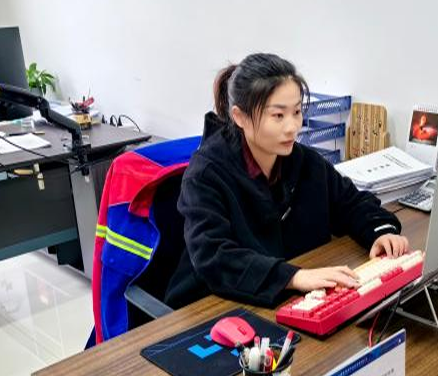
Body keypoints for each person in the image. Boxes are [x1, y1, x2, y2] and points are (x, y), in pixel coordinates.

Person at [164, 53, 410, 309]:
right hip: (211, 307)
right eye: (278, 116)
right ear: (240, 117)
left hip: (291, 302)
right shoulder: (206, 174)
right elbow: (214, 257)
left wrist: (381, 233)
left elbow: (351, 203)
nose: (292, 127)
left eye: (297, 112)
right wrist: (294, 277)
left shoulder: (304, 161)